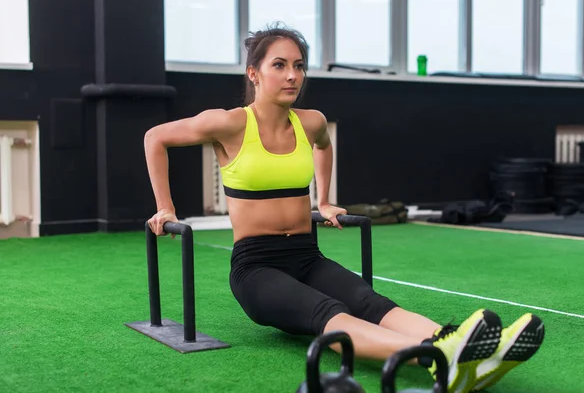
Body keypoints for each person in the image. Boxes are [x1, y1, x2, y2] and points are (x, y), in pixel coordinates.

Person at [144, 23, 545, 393]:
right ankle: (440, 358)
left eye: (299, 66)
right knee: (330, 312)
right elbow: (155, 138)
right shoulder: (229, 123)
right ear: (254, 73)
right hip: (256, 268)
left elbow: (323, 146)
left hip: (306, 254)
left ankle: (461, 343)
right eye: (279, 65)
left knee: (370, 301)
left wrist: (324, 199)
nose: (292, 76)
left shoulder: (310, 121)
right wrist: (166, 207)